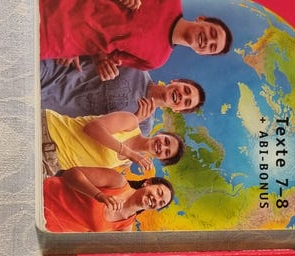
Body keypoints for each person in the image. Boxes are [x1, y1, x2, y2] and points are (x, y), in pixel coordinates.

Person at [40, 0, 233, 78]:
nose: (208, 41)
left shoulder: (156, 60)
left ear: (200, 52)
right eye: (212, 33)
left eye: (211, 47)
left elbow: (105, 54)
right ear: (202, 19)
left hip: (54, 43)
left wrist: (102, 64)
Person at [41, 57, 206, 135]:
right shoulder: (136, 67)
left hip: (45, 114)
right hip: (49, 73)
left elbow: (98, 142)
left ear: (177, 110)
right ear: (176, 81)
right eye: (186, 90)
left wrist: (133, 120)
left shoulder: (143, 127)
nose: (182, 96)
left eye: (186, 102)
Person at [42, 107, 185, 177]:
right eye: (166, 141)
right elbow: (91, 128)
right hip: (48, 132)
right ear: (160, 134)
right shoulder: (131, 122)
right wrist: (129, 153)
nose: (162, 146)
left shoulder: (125, 163)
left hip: (52, 165)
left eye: (166, 152)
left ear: (161, 159)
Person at [43, 167, 174, 232]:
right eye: (159, 192)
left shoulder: (125, 228)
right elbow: (70, 173)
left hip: (44, 226)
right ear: (147, 183)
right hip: (42, 195)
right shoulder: (118, 182)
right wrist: (99, 195)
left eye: (161, 203)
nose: (156, 199)